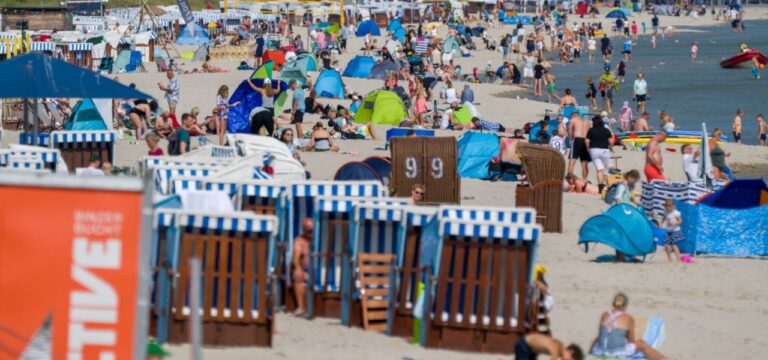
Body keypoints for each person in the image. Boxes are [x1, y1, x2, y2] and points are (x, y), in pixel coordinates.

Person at [590, 293, 667, 360]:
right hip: (615, 354)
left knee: (597, 339)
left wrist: (590, 354)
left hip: (598, 351)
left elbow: (600, 337)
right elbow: (631, 341)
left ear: (613, 304)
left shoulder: (605, 315)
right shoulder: (627, 318)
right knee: (641, 344)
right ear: (626, 305)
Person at [586, 115, 613, 193]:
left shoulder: (591, 130)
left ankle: (600, 186)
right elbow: (611, 141)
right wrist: (611, 148)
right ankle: (611, 184)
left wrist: (588, 149)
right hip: (604, 150)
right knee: (610, 167)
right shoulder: (606, 130)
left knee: (599, 169)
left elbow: (587, 141)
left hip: (594, 150)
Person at [292, 218, 313, 316]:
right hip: (306, 271)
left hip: (321, 272)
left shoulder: (320, 238)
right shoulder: (299, 241)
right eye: (309, 231)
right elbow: (296, 257)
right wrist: (297, 268)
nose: (312, 233)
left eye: (313, 230)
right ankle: (301, 307)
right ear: (304, 230)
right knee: (298, 275)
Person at [514, 333, 584, 360]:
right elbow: (554, 354)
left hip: (532, 350)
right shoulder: (556, 350)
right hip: (524, 345)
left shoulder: (560, 345)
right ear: (570, 351)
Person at [567, 113, 592, 179]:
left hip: (577, 139)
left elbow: (569, 128)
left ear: (574, 115)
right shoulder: (587, 121)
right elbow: (590, 131)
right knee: (584, 162)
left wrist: (570, 139)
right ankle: (584, 180)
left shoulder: (573, 119)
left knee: (572, 160)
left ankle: (569, 178)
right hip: (585, 140)